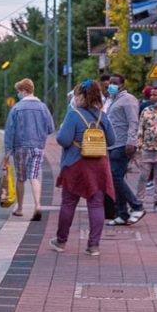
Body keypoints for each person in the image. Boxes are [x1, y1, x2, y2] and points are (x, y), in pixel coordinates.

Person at [51, 80, 116, 256]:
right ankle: (94, 246)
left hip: (75, 165)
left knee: (68, 203)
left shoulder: (74, 115)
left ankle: (61, 241)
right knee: (96, 205)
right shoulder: (103, 116)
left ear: (81, 96)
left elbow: (63, 140)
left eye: (76, 94)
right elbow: (111, 141)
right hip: (99, 167)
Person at [3, 78, 55, 221]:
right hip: (38, 147)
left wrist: (7, 151)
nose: (18, 94)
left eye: (19, 91)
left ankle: (20, 209)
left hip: (20, 148)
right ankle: (37, 205)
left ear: (24, 91)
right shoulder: (43, 107)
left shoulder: (16, 108)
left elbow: (9, 131)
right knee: (34, 176)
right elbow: (51, 128)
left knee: (20, 178)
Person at [104, 73, 145, 225]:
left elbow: (133, 121)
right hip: (113, 144)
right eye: (110, 82)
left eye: (115, 83)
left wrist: (131, 142)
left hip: (123, 144)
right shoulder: (113, 100)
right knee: (116, 179)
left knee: (115, 177)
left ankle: (136, 206)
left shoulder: (128, 100)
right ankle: (123, 214)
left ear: (122, 84)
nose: (111, 85)